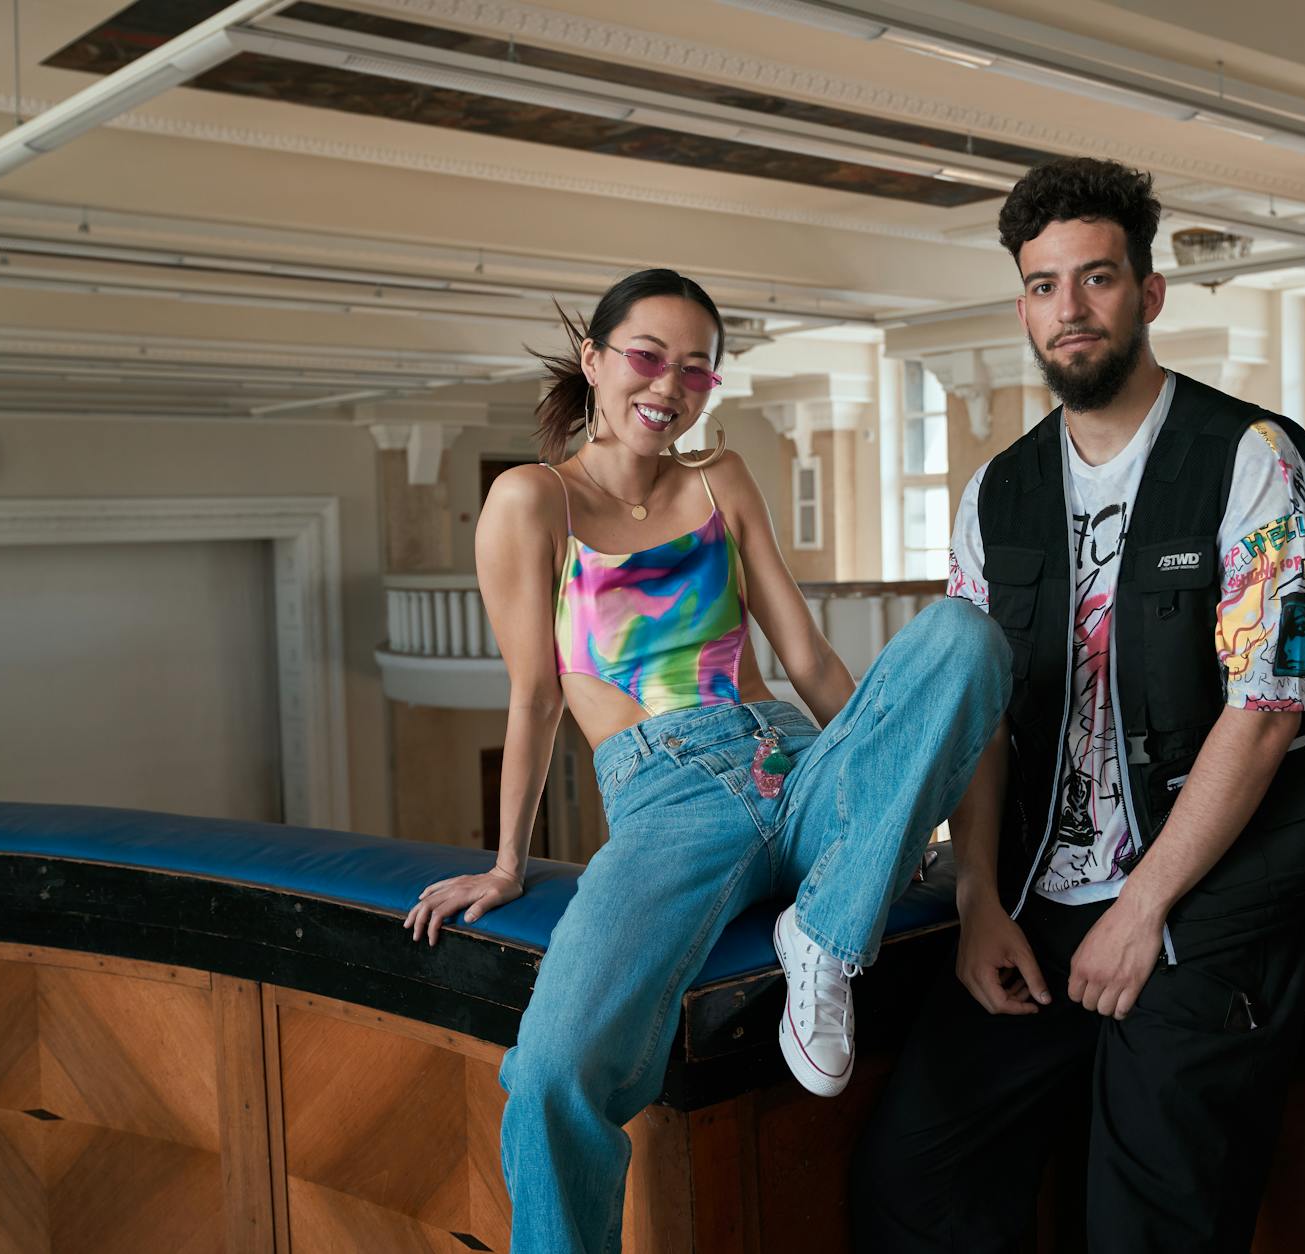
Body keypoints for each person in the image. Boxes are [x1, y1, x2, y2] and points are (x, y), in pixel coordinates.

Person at [401, 268, 1010, 1254]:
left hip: (795, 762)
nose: (668, 386)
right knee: (552, 1073)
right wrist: (507, 863)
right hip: (668, 801)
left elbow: (809, 661)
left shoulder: (719, 477)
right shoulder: (532, 500)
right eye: (647, 357)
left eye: (695, 369)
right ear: (594, 360)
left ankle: (824, 936)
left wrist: (885, 787)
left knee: (962, 636)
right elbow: (535, 696)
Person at [852, 158, 1305, 1254]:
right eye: (1043, 285)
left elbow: (1268, 710)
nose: (1069, 309)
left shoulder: (1255, 460)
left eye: (1096, 278)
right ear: (1022, 309)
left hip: (1207, 904)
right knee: (914, 1176)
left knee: (1141, 1230)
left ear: (1148, 293)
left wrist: (1143, 911)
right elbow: (981, 717)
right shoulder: (997, 492)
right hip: (1038, 900)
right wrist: (978, 897)